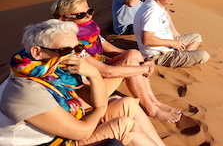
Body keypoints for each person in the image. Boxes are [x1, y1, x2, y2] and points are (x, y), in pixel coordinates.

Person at [0, 19, 165, 146]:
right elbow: (83, 132)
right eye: (65, 51)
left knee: (128, 104)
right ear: (37, 52)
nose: (75, 56)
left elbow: (91, 98)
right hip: (48, 143)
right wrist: (100, 108)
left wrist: (93, 74)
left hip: (62, 134)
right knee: (124, 126)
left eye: (78, 49)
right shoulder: (26, 89)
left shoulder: (54, 72)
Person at [51, 0, 181, 123]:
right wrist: (144, 69)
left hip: (96, 80)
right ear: (63, 19)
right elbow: (105, 71)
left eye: (89, 11)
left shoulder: (88, 32)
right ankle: (150, 108)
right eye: (81, 15)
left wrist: (144, 60)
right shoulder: (67, 42)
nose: (88, 16)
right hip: (86, 93)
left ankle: (154, 102)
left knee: (133, 54)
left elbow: (115, 51)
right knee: (132, 60)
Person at [134, 0, 210, 68]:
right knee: (203, 55)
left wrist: (174, 40)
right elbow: (147, 40)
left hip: (168, 45)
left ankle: (181, 54)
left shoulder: (158, 5)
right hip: (158, 54)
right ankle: (181, 56)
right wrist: (172, 43)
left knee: (196, 37)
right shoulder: (152, 11)